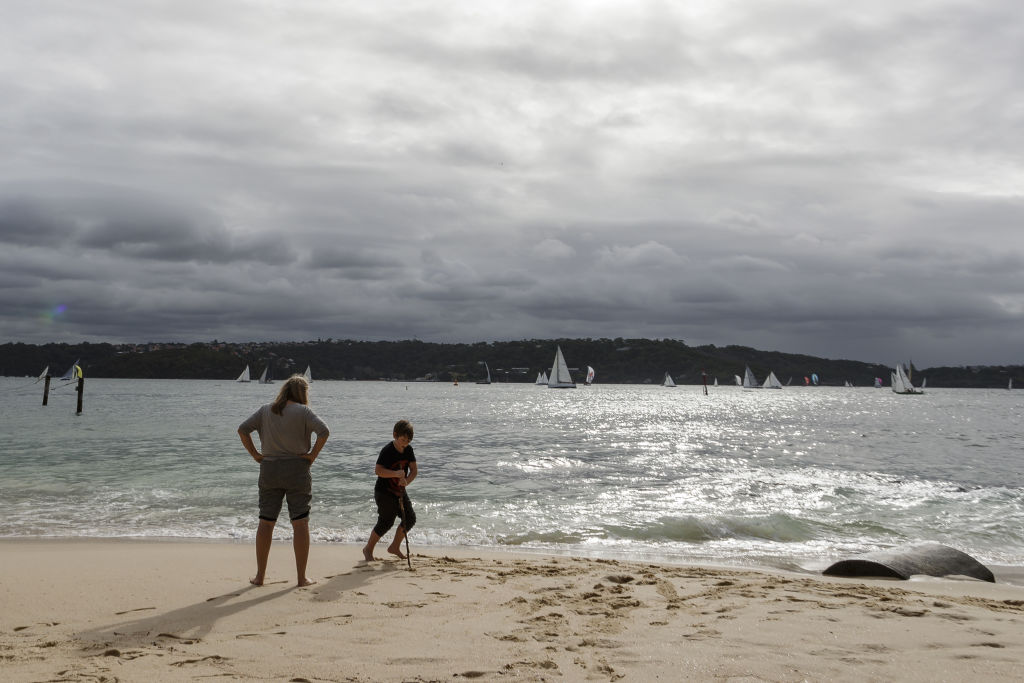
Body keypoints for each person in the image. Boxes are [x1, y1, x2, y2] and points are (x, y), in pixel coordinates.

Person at [238, 374, 329, 587]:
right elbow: (324, 432)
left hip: (269, 468)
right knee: (300, 523)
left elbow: (242, 430)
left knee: (266, 522)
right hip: (297, 469)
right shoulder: (304, 412)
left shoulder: (265, 410)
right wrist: (312, 456)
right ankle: (301, 578)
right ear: (302, 393)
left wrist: (256, 455)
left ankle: (260, 576)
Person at [362, 419, 417, 561]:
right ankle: (368, 549)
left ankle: (394, 546)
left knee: (409, 518)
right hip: (384, 491)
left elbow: (414, 470)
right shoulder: (387, 450)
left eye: (408, 441)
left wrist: (406, 481)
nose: (405, 443)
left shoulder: (408, 450)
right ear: (395, 435)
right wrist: (395, 474)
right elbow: (378, 471)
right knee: (386, 521)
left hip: (400, 491)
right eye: (403, 439)